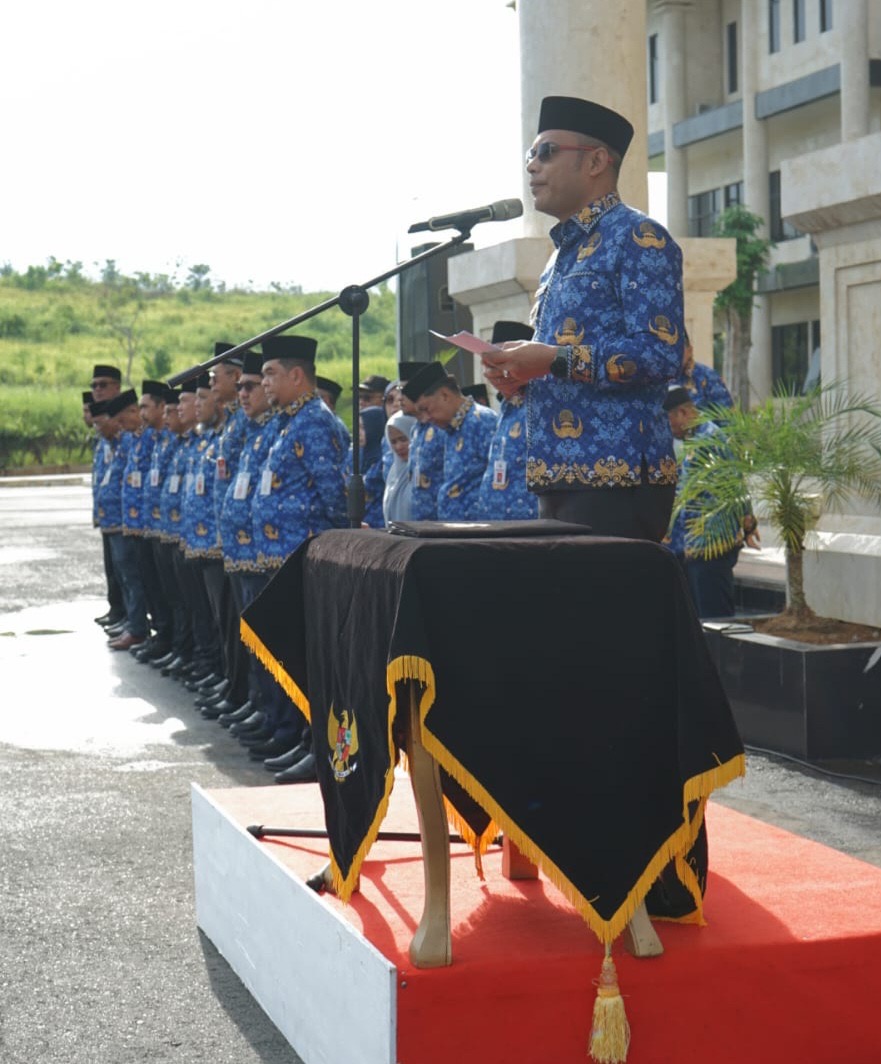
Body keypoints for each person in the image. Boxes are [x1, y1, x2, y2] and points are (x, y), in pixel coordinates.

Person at [482, 95, 684, 542]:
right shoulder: (559, 257)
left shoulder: (639, 237)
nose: (532, 166)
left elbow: (660, 354)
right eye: (531, 154)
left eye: (547, 152)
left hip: (618, 479)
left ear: (595, 162)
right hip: (556, 475)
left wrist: (552, 359)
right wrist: (522, 375)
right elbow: (563, 363)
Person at [663, 386, 760, 618]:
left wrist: (748, 524)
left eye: (668, 422)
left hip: (711, 546)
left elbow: (733, 485)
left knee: (715, 619)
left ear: (683, 413)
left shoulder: (710, 440)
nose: (668, 429)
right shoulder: (693, 441)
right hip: (691, 548)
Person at [402, 360, 498, 520]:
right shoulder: (450, 429)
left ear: (444, 395)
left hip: (478, 527)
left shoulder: (482, 421)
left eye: (426, 409)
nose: (426, 418)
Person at [476, 321, 539, 521]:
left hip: (527, 524)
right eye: (490, 366)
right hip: (495, 521)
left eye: (502, 365)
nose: (495, 374)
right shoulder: (507, 406)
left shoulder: (540, 404)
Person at [89, 364, 124, 628]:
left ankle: (129, 617)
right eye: (94, 386)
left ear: (117, 388)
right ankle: (117, 609)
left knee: (127, 571)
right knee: (112, 566)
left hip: (126, 516)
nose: (97, 390)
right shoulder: (102, 432)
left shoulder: (124, 423)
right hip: (107, 512)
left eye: (103, 385)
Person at [678, 332, 733, 416]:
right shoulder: (657, 378)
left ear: (689, 350)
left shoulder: (707, 376)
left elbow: (727, 417)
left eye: (677, 350)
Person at [382, 409, 417, 525]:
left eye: (403, 439)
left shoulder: (424, 472)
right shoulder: (393, 475)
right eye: (393, 442)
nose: (399, 446)